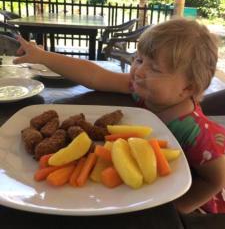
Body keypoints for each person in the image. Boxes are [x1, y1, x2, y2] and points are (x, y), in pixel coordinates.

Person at [13, 17, 225, 214]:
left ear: (187, 88)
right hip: (133, 194)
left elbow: (215, 180)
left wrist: (175, 211)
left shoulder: (198, 134)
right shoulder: (140, 89)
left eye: (155, 69)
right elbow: (94, 75)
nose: (139, 71)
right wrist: (42, 56)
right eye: (139, 60)